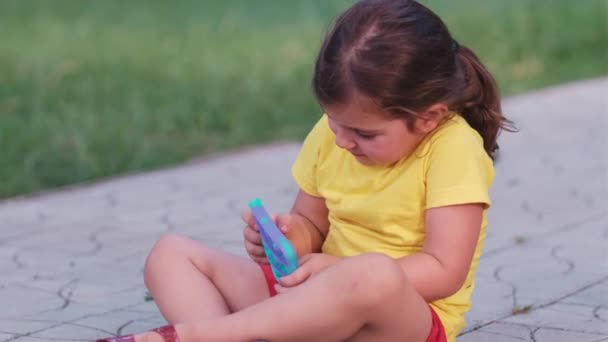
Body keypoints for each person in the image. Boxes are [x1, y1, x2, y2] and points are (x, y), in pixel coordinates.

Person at [97, 0, 515, 341]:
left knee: (375, 274)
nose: (343, 140)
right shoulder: (334, 134)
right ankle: (225, 335)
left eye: (364, 134)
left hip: (394, 320)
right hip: (311, 302)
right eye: (333, 121)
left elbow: (444, 271)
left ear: (427, 117)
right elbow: (311, 225)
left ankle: (204, 335)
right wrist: (288, 238)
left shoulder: (452, 147)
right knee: (170, 254)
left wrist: (338, 272)